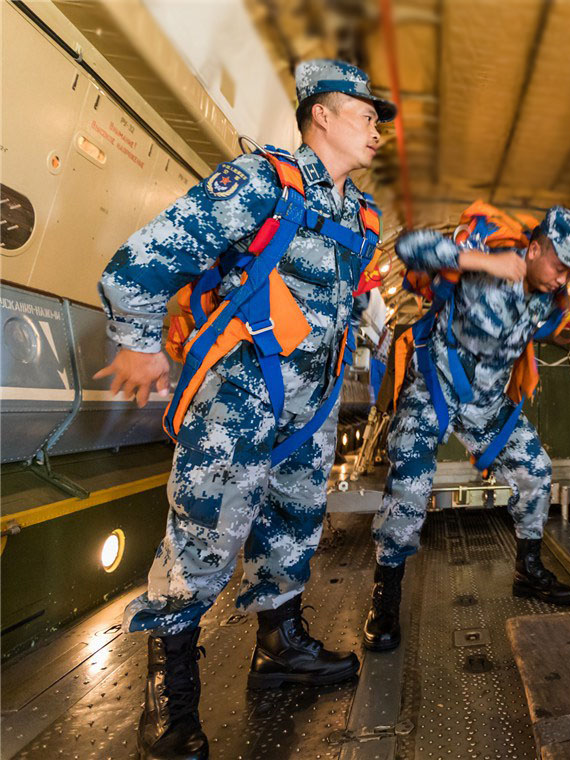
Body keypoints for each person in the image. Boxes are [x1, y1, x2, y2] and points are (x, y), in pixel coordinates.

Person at [96, 59, 396, 759]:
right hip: (239, 396)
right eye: (366, 113)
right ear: (321, 112)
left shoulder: (362, 214)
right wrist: (139, 345)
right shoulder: (263, 181)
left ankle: (279, 645)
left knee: (294, 524)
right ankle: (169, 702)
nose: (377, 128)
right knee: (202, 533)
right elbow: (140, 260)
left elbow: (343, 304)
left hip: (312, 406)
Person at [364, 206, 570, 652]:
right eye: (560, 267)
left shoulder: (547, 296)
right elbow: (409, 247)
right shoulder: (487, 257)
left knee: (536, 472)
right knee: (409, 486)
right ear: (535, 248)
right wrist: (483, 261)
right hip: (433, 387)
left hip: (486, 403)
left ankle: (528, 568)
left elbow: (556, 326)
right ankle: (386, 591)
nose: (563, 280)